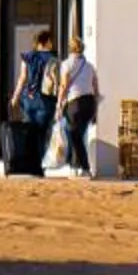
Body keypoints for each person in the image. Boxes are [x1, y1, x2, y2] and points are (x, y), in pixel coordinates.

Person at [6, 29, 58, 177]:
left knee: (30, 133)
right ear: (46, 42)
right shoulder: (52, 59)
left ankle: (29, 165)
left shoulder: (27, 57)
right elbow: (56, 81)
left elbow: (22, 78)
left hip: (28, 100)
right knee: (42, 134)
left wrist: (15, 97)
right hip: (45, 102)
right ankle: (39, 166)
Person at [56, 35, 100, 178]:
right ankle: (75, 166)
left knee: (74, 135)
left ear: (70, 48)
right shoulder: (89, 66)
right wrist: (96, 111)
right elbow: (96, 89)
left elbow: (63, 85)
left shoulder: (66, 64)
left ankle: (84, 168)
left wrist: (58, 105)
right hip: (89, 103)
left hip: (75, 103)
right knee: (78, 135)